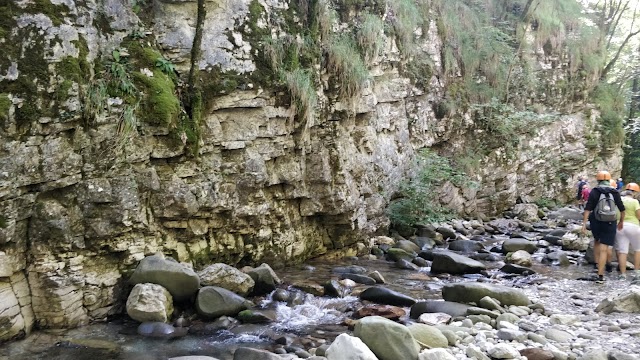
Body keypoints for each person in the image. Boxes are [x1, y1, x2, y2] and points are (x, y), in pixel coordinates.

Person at [582, 170, 625, 283]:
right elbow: (622, 208)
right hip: (610, 222)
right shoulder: (615, 192)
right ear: (609, 180)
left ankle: (597, 264)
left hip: (596, 221)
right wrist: (621, 221)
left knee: (597, 240)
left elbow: (588, 208)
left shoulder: (594, 191)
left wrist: (583, 224)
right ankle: (601, 275)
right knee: (604, 249)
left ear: (598, 179)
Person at [615, 183, 640, 281]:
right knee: (637, 249)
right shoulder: (635, 202)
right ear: (633, 194)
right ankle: (637, 272)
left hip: (620, 227)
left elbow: (617, 215)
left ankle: (623, 274)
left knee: (622, 251)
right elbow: (638, 215)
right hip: (634, 226)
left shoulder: (619, 201)